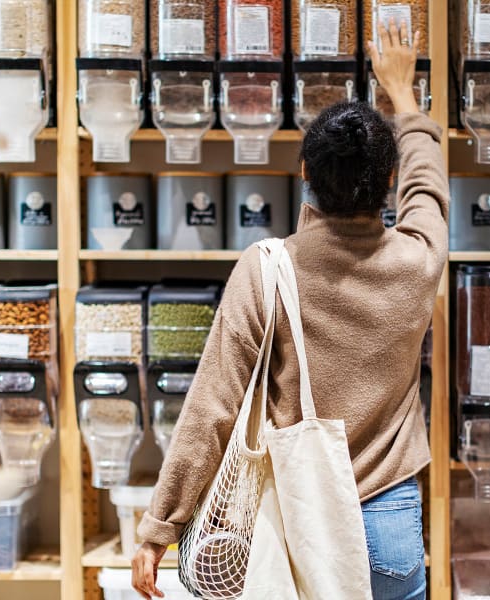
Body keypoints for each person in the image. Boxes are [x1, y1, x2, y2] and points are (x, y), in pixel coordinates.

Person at [131, 18, 448, 600]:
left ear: (304, 174)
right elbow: (427, 186)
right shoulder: (418, 261)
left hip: (299, 526)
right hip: (391, 532)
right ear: (389, 180)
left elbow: (213, 405)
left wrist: (161, 527)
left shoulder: (268, 267)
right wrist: (402, 93)